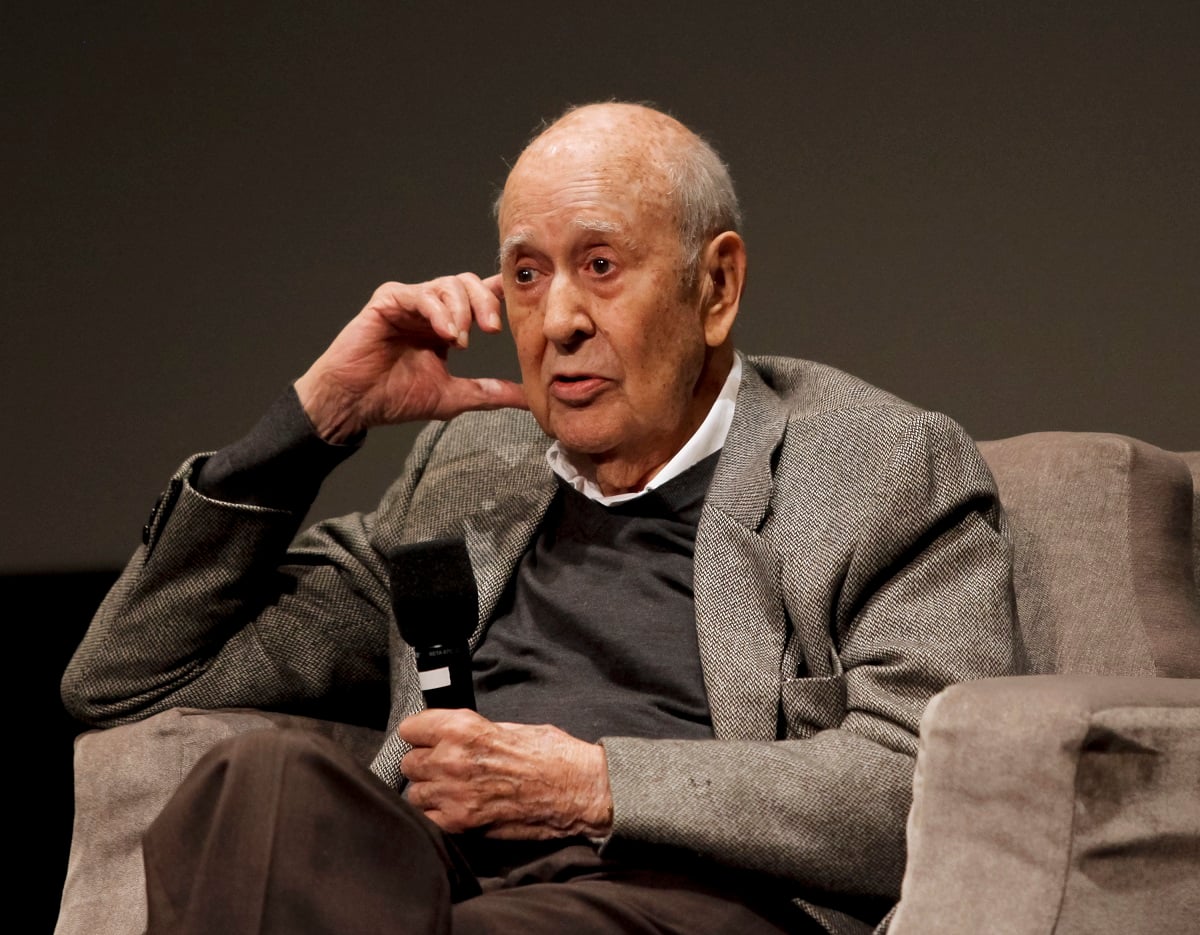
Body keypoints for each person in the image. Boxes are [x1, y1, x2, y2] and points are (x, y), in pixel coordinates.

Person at [62, 101, 1018, 935]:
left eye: (600, 265)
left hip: (690, 894)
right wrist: (317, 419)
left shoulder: (877, 465)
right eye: (526, 274)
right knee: (258, 780)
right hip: (433, 886)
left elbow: (931, 784)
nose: (558, 319)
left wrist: (591, 785)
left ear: (716, 287)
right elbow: (130, 673)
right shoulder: (469, 473)